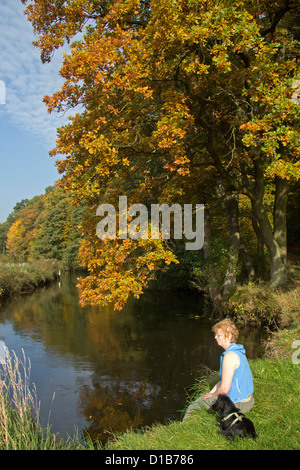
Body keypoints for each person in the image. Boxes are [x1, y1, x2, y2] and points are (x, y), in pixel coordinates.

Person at [183, 319, 254, 420]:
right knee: (203, 399)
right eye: (216, 335)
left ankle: (183, 429)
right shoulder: (237, 350)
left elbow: (224, 389)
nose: (216, 337)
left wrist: (214, 395)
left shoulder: (229, 357)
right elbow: (224, 380)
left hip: (239, 403)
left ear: (229, 336)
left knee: (192, 408)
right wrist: (211, 393)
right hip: (247, 398)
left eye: (219, 335)